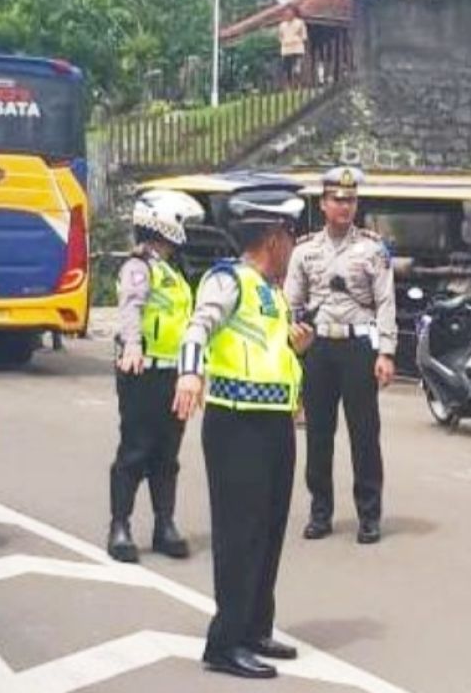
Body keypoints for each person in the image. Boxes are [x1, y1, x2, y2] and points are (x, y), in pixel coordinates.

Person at [173, 186, 314, 680]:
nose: (294, 247)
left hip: (275, 423)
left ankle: (256, 627)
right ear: (273, 238)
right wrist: (189, 373)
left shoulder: (272, 294)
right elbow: (198, 328)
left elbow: (270, 354)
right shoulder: (227, 280)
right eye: (291, 236)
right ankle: (224, 642)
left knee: (270, 530)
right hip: (236, 424)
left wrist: (297, 346)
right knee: (239, 535)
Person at [285, 166, 396, 544]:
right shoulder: (304, 250)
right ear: (323, 203)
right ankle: (320, 512)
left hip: (358, 347)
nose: (344, 206)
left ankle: (369, 515)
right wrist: (292, 341)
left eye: (350, 200)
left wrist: (386, 352)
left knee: (365, 434)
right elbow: (291, 302)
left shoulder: (372, 248)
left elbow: (385, 302)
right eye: (337, 199)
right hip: (318, 348)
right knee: (318, 433)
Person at [107, 190, 203, 563]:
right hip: (142, 371)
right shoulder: (138, 266)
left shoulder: (174, 272)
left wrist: (196, 369)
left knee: (168, 453)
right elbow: (131, 306)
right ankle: (120, 525)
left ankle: (165, 524)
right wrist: (132, 345)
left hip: (173, 374)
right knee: (135, 450)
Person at [278, 6, 308, 87]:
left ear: (294, 13)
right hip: (286, 49)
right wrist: (284, 42)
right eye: (286, 13)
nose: (288, 14)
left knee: (297, 68)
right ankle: (289, 85)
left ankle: (299, 84)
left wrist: (297, 40)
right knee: (287, 69)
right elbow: (280, 37)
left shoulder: (300, 23)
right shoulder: (282, 25)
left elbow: (304, 35)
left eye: (290, 12)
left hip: (297, 48)